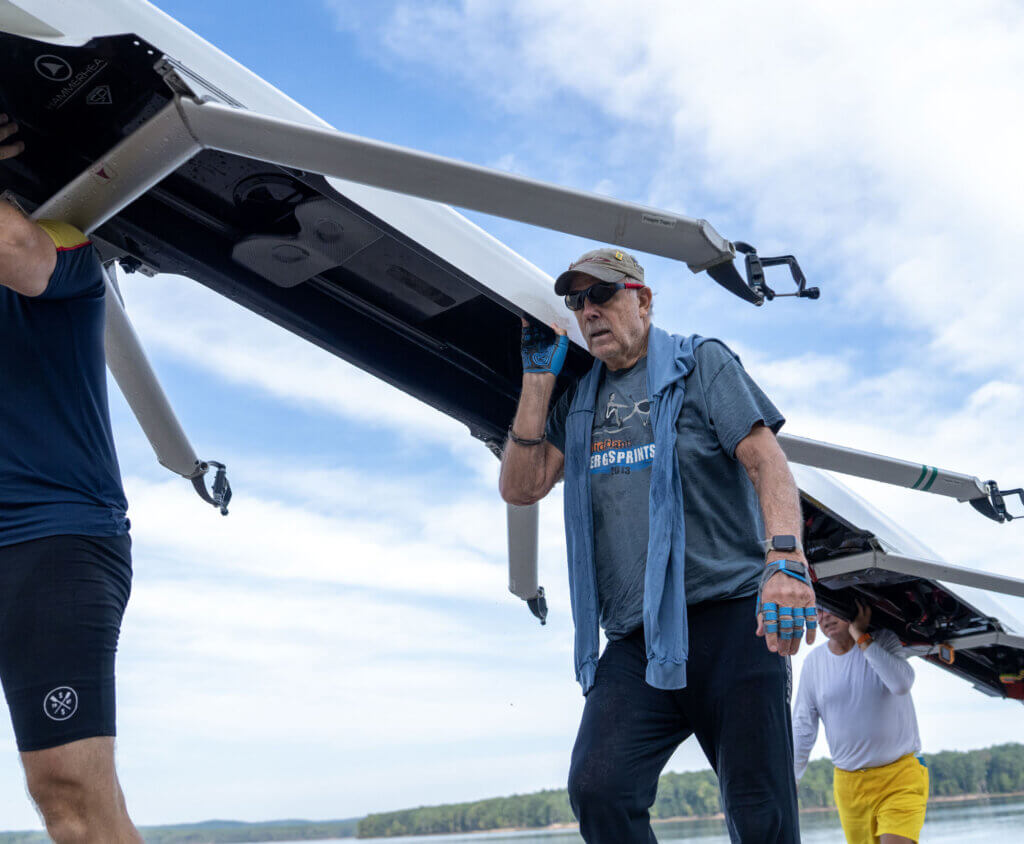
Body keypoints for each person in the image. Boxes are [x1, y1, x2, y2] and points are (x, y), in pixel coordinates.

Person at [499, 247, 817, 843]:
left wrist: (784, 558)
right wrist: (538, 380)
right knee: (599, 787)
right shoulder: (578, 403)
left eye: (603, 295)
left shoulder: (701, 363)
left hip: (732, 622)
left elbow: (766, 460)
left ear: (642, 300)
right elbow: (523, 487)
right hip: (638, 640)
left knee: (760, 813)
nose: (589, 310)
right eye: (578, 301)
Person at [0, 115, 143, 842]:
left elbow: (21, 255)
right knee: (85, 801)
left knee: (68, 789)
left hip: (53, 538)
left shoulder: (63, 241)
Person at [792, 601, 928, 844]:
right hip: (850, 785)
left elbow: (901, 684)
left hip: (900, 775)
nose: (825, 617)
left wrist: (862, 638)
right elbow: (803, 727)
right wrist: (792, 778)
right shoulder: (813, 663)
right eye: (818, 611)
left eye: (832, 608)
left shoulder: (883, 640)